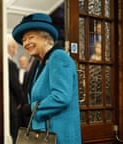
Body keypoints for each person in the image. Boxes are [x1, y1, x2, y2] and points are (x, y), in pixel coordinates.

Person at [12, 13, 82, 144]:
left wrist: (32, 108)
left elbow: (61, 97)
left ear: (46, 38)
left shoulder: (58, 57)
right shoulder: (41, 64)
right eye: (24, 40)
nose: (26, 43)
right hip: (45, 133)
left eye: (30, 37)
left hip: (59, 135)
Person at [7, 35, 23, 144]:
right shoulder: (11, 64)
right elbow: (16, 86)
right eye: (15, 48)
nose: (16, 51)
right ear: (9, 47)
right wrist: (21, 101)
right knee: (13, 131)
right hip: (12, 103)